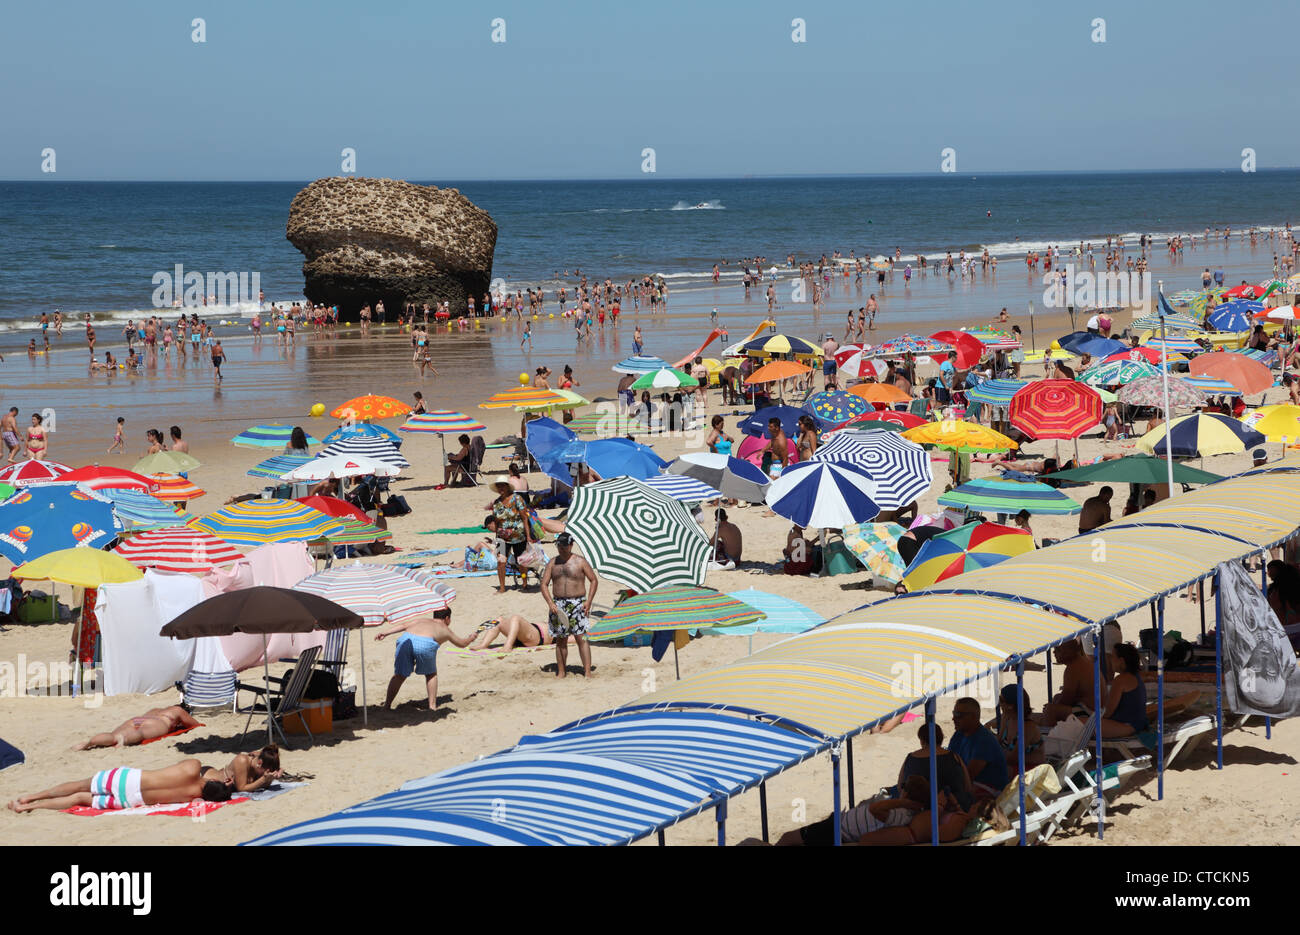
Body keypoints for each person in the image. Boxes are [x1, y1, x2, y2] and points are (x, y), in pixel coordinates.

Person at [9, 758, 239, 812]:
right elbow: (200, 806)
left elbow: (199, 773)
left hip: (129, 780)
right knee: (80, 798)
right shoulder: (193, 799)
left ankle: (31, 797)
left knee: (80, 785)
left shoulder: (193, 765)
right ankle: (30, 808)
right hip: (129, 800)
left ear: (213, 780)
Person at [777, 775, 932, 846]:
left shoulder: (902, 814)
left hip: (838, 831)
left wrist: (902, 802)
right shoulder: (902, 812)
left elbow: (875, 809)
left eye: (903, 786)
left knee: (788, 838)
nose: (900, 788)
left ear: (908, 794)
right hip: (839, 824)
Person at [377, 607, 474, 711]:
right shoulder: (445, 628)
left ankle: (387, 705)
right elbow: (462, 644)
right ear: (447, 618)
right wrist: (471, 638)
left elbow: (403, 625)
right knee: (431, 674)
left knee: (399, 675)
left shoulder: (421, 620)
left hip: (405, 640)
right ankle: (432, 706)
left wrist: (385, 633)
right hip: (424, 643)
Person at [540, 532, 598, 678]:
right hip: (558, 604)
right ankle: (561, 672)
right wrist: (550, 603)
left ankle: (587, 672)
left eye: (565, 546)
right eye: (559, 545)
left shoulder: (580, 561)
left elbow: (593, 580)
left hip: (577, 603)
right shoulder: (553, 563)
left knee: (581, 638)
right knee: (560, 640)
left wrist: (589, 601)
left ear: (571, 545)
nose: (562, 548)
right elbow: (544, 584)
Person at [949, 696, 1008, 799]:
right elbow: (949, 762)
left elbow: (968, 776)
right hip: (973, 783)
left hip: (990, 789)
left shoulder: (984, 741)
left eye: (958, 715)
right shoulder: (958, 735)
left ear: (974, 717)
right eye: (954, 714)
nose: (953, 718)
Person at [72, 705, 202, 750]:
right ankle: (124, 739)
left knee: (113, 735)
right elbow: (194, 725)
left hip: (139, 719)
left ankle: (89, 743)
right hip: (158, 722)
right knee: (140, 733)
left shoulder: (156, 709)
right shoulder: (177, 710)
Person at [488, 476, 535, 594]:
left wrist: (528, 536)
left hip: (519, 536)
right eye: (498, 486)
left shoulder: (517, 499)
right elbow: (497, 522)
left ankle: (524, 582)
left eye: (502, 486)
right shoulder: (497, 503)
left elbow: (525, 518)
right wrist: (496, 539)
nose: (500, 488)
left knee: (522, 563)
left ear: (507, 487)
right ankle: (502, 587)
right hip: (502, 538)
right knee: (501, 562)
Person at [1042, 638, 1096, 726]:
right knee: (1055, 699)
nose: (1054, 652)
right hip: (1091, 708)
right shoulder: (1082, 661)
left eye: (1058, 650)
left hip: (1089, 713)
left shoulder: (1073, 669)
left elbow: (1066, 699)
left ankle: (1052, 735)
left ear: (1068, 652)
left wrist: (1051, 707)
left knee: (1050, 710)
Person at [1100, 643, 1148, 738]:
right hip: (1137, 724)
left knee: (1084, 724)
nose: (1110, 660)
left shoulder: (1120, 680)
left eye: (1113, 657)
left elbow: (1108, 712)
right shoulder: (1135, 676)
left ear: (1121, 661)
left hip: (1127, 726)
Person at [991, 685, 1044, 771]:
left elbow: (1014, 758)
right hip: (1012, 766)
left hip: (1031, 771)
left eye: (1001, 700)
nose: (999, 703)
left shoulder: (1028, 727)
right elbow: (998, 741)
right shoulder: (1007, 718)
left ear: (1011, 705)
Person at [470, 613, 553, 652]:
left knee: (516, 618)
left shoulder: (563, 630)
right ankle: (483, 645)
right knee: (499, 620)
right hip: (521, 636)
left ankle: (508, 646)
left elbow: (565, 640)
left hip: (537, 637)